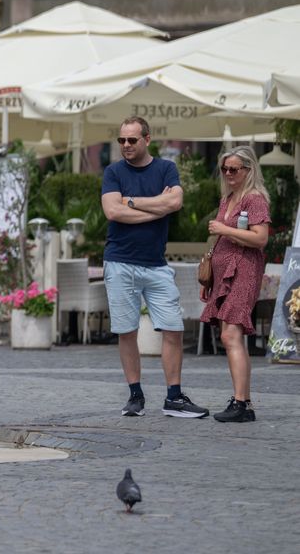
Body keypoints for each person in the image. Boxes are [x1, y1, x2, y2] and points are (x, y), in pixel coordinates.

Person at [101, 116, 207, 418]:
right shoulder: (113, 171)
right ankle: (135, 395)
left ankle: (174, 398)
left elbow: (174, 203)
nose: (125, 146)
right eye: (121, 140)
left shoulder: (165, 168)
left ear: (147, 139)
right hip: (120, 262)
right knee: (126, 331)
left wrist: (131, 202)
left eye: (132, 140)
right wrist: (154, 209)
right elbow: (112, 210)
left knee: (173, 327)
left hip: (157, 265)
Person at [201, 145, 270, 423]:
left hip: (244, 270)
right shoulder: (228, 198)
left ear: (249, 170)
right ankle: (242, 401)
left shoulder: (254, 199)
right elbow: (223, 241)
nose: (228, 173)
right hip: (226, 273)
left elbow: (261, 239)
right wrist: (211, 278)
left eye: (234, 169)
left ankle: (241, 403)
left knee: (231, 335)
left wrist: (224, 229)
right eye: (224, 169)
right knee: (230, 335)